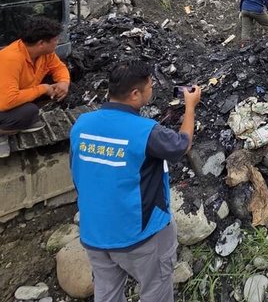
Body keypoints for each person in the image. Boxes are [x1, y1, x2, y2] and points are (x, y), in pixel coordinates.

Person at [70, 60, 200, 302]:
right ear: (135, 93)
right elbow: (182, 144)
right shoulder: (146, 131)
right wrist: (190, 107)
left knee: (107, 292)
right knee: (156, 290)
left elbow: (77, 172)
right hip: (140, 235)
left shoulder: (81, 125)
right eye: (150, 87)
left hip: (94, 232)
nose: (153, 91)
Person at [0, 15, 70, 158]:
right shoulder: (11, 60)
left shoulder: (45, 54)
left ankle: (16, 121)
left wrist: (64, 82)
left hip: (1, 98)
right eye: (55, 40)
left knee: (38, 102)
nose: (57, 43)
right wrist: (44, 89)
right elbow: (5, 102)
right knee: (28, 111)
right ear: (41, 43)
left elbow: (58, 68)